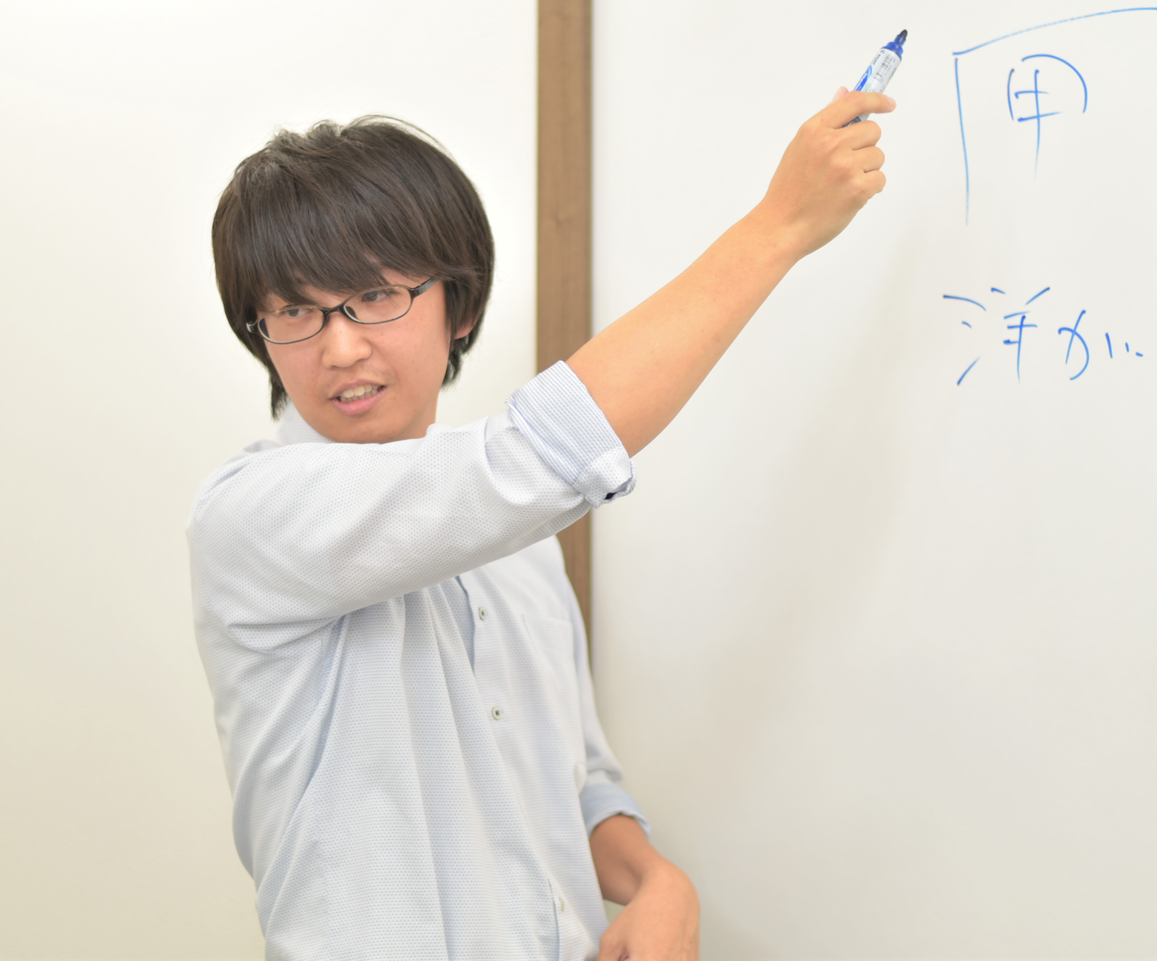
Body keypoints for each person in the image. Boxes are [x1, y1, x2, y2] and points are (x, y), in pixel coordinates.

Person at [189, 87, 894, 960]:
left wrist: (656, 881)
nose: (338, 347)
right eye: (294, 311)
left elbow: (576, 779)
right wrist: (778, 225)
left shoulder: (520, 548)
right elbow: (539, 454)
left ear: (461, 308)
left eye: (374, 294)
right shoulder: (252, 515)